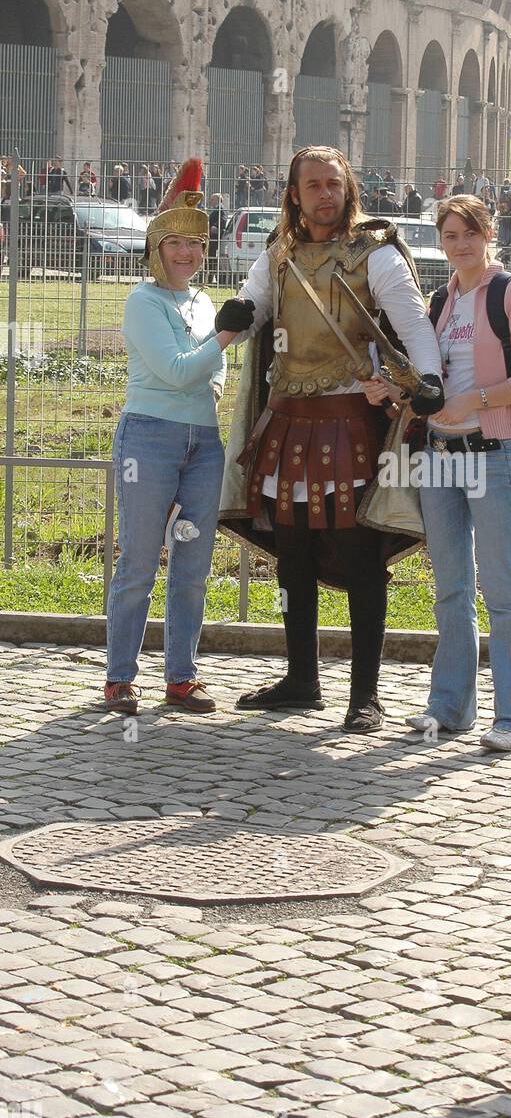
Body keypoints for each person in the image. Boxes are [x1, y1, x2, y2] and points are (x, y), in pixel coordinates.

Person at [217, 146, 443, 732]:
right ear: (294, 193)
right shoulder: (280, 253)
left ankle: (364, 694)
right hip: (287, 422)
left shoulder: (376, 253)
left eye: (333, 184)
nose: (324, 194)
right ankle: (301, 679)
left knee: (362, 557)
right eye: (312, 185)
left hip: (352, 426)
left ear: (348, 189)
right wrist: (238, 312)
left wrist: (430, 378)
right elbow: (256, 306)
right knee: (292, 558)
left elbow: (413, 321)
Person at [392, 195, 511, 752]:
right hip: (438, 455)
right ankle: (449, 706)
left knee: (503, 588)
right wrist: (395, 392)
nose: (460, 244)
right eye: (450, 235)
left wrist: (477, 401)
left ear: (489, 234)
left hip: (492, 453)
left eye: (469, 233)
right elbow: (432, 382)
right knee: (450, 586)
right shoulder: (441, 300)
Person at [103, 159, 237, 716]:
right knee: (138, 562)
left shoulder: (201, 302)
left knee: (193, 565)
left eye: (195, 245)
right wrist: (224, 339)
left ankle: (181, 676)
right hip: (151, 438)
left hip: (203, 442)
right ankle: (119, 678)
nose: (186, 253)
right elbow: (179, 370)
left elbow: (213, 374)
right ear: (156, 249)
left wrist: (216, 356)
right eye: (175, 243)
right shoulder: (142, 301)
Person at [207, 193, 228, 283]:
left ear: (217, 200)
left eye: (212, 200)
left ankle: (210, 278)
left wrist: (214, 227)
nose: (210, 202)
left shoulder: (221, 209)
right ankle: (209, 277)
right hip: (212, 238)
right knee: (210, 257)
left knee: (212, 257)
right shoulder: (216, 209)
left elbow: (222, 221)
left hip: (215, 238)